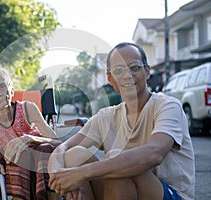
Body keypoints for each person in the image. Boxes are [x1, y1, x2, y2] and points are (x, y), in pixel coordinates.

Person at [48, 42, 195, 200]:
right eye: (119, 70)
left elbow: (155, 153)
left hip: (168, 194)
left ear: (147, 72)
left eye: (135, 67)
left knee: (116, 161)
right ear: (110, 78)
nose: (127, 75)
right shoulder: (106, 117)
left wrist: (81, 174)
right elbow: (64, 148)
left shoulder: (167, 106)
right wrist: (60, 176)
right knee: (75, 156)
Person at [0, 64, 62, 200]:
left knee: (45, 149)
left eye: (2, 86)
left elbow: (57, 142)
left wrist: (29, 138)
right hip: (12, 163)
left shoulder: (28, 108)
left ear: (11, 89)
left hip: (39, 159)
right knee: (19, 155)